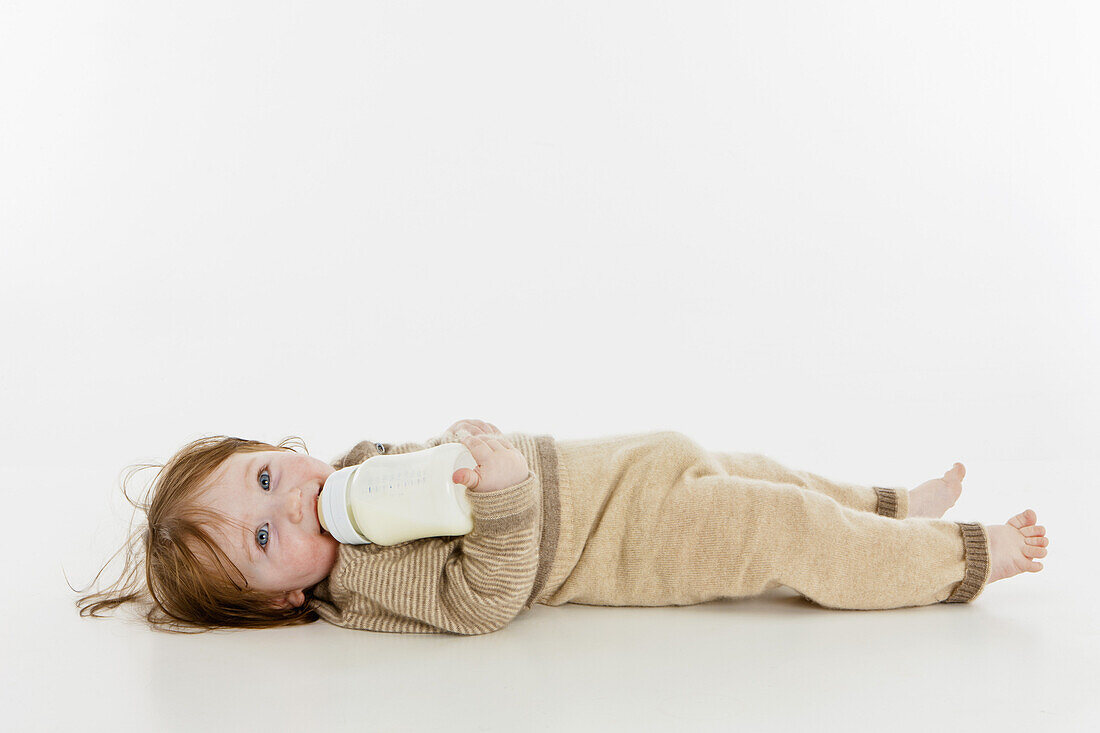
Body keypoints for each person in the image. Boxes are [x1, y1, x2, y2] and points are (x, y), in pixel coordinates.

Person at [73, 419, 1049, 635]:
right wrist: (497, 491)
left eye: (267, 476)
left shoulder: (355, 476)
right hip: (626, 540)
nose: (289, 501)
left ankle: (888, 508)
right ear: (284, 594)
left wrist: (453, 454)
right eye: (260, 536)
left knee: (767, 473)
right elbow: (482, 594)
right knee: (780, 522)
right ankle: (961, 560)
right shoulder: (364, 584)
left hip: (624, 470)